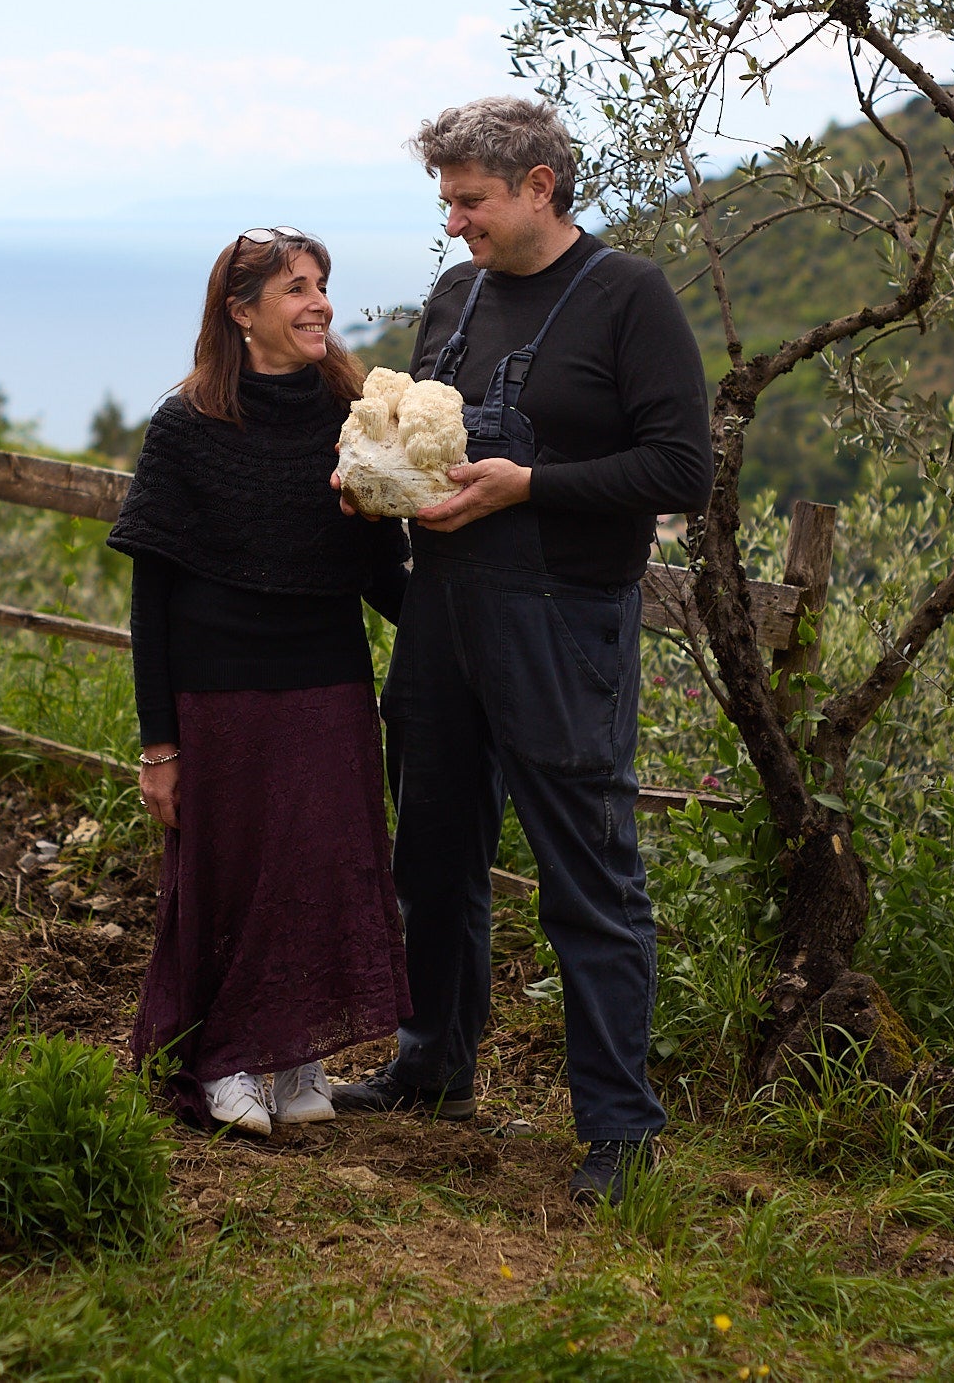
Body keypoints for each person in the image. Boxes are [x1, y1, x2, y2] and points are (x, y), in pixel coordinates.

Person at [331, 96, 712, 1204]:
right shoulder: (456, 296)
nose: (453, 223)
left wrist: (529, 484)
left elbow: (680, 470)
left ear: (540, 185)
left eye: (471, 200)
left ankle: (619, 1131)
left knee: (586, 875)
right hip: (442, 608)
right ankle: (432, 1065)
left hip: (562, 620)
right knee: (433, 853)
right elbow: (412, 434)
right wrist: (375, 481)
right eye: (444, 200)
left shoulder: (627, 295)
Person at [109, 227, 412, 1136]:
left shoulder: (356, 418)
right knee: (231, 879)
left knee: (320, 868)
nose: (318, 301)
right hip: (217, 695)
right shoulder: (188, 424)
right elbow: (150, 593)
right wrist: (157, 743)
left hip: (327, 684)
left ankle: (295, 1056)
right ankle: (225, 1058)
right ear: (240, 313)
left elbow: (384, 576)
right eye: (295, 288)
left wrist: (474, 602)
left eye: (322, 284)